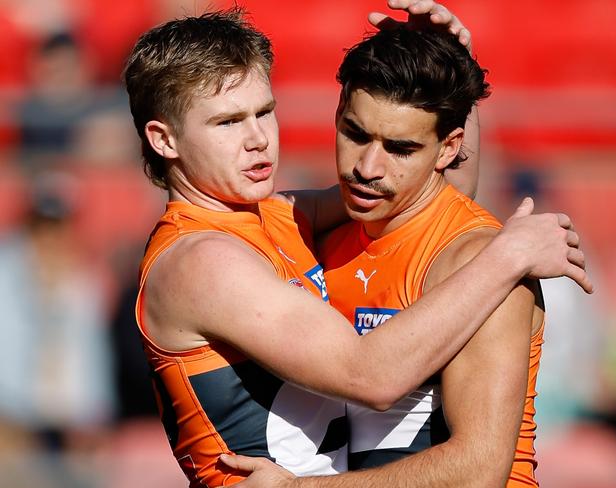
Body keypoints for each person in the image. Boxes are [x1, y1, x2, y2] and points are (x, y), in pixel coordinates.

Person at [124, 4, 591, 487]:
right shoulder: (201, 261)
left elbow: (419, 198)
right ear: (164, 140)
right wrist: (509, 254)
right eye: (227, 123)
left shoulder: (280, 217)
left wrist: (445, 70)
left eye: (265, 112)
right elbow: (371, 377)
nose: (258, 139)